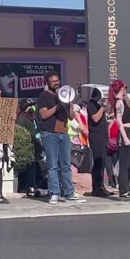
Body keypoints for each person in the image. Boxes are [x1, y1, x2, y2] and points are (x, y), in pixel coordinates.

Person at [37, 71, 86, 205]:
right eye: (52, 81)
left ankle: (69, 193)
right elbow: (44, 115)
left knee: (66, 165)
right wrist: (58, 106)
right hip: (49, 133)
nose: (56, 83)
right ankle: (54, 194)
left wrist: (68, 104)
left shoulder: (65, 95)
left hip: (64, 133)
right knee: (52, 165)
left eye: (57, 80)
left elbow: (70, 117)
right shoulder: (44, 96)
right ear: (47, 83)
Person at [108, 79, 130, 200]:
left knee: (128, 163)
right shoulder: (119, 102)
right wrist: (125, 137)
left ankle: (125, 189)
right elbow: (119, 121)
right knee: (124, 164)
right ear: (121, 88)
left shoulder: (123, 101)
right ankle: (123, 191)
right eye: (124, 87)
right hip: (126, 132)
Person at [87, 88, 112, 197]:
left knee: (102, 162)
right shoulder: (91, 104)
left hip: (103, 136)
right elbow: (95, 118)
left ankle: (101, 186)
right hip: (96, 136)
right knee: (98, 162)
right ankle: (96, 188)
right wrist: (102, 107)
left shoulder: (97, 105)